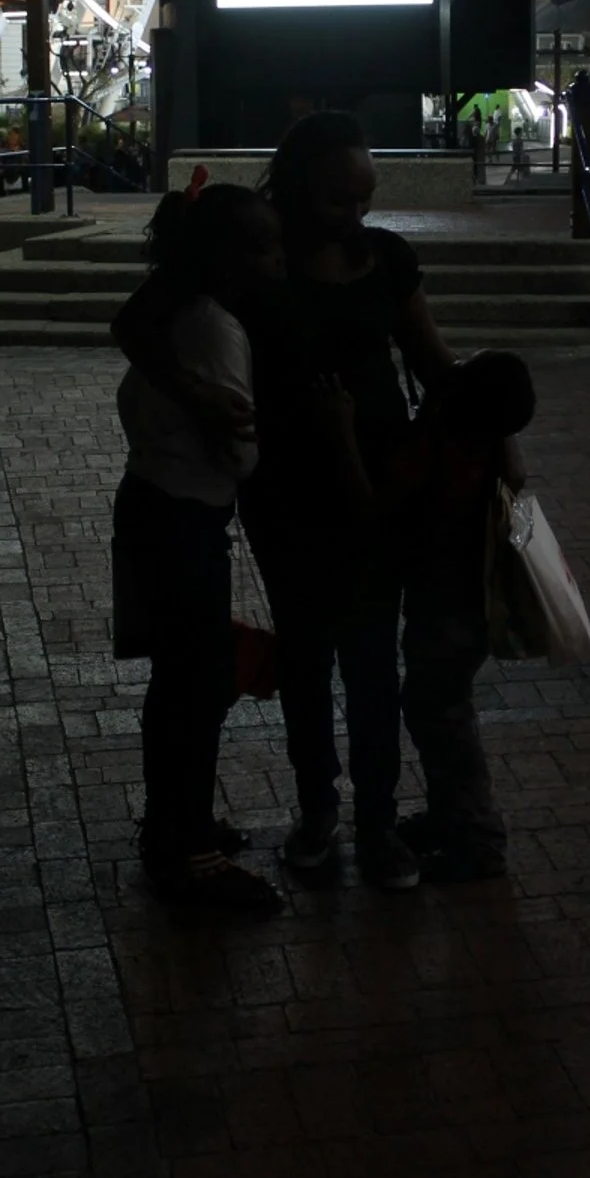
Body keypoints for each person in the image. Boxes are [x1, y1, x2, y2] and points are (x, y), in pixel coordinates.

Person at [239, 112, 457, 891]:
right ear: (297, 189)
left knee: (370, 656)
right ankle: (318, 808)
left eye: (363, 201)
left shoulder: (386, 260)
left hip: (380, 480)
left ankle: (376, 818)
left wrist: (491, 438)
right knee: (305, 652)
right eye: (339, 200)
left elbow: (430, 358)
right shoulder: (265, 267)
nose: (355, 217)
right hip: (289, 484)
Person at [110, 179, 287, 910]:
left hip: (152, 505)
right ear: (233, 259)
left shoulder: (170, 313)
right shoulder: (216, 328)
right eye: (266, 247)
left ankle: (176, 824)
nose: (280, 260)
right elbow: (239, 454)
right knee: (196, 684)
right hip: (187, 520)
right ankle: (187, 850)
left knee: (181, 682)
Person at [319, 351, 534, 880]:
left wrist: (342, 432)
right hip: (473, 606)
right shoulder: (488, 448)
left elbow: (371, 509)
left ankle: (478, 838)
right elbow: (518, 471)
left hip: (441, 608)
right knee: (443, 712)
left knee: (442, 719)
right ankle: (451, 818)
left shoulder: (436, 450)